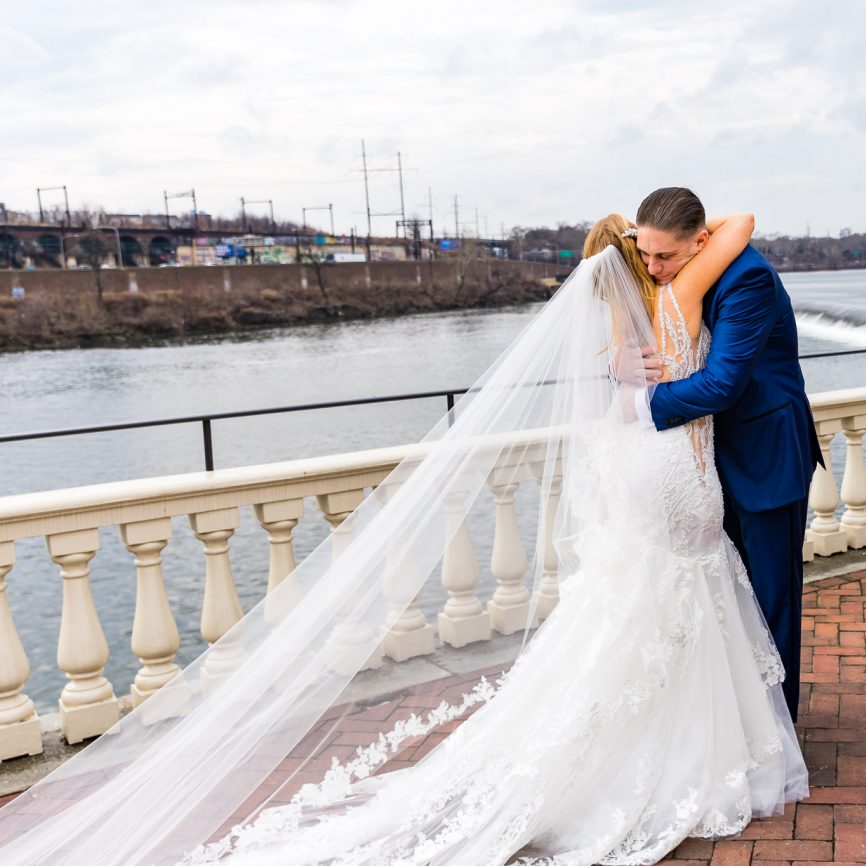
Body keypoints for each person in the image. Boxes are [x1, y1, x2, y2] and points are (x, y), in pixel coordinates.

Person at [0, 211, 807, 865]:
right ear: (643, 252)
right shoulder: (678, 290)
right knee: (690, 598)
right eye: (653, 255)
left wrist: (641, 379)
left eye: (670, 255)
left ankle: (742, 726)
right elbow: (722, 295)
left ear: (686, 245)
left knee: (701, 600)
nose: (663, 266)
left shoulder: (697, 283)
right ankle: (728, 734)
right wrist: (643, 389)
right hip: (674, 465)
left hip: (706, 464)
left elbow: (732, 259)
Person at [630, 187, 821, 723]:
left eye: (664, 256)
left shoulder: (748, 281)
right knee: (726, 600)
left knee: (768, 603)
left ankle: (778, 733)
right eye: (645, 254)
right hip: (709, 465)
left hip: (765, 458)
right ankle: (733, 723)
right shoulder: (688, 270)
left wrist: (637, 405)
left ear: (702, 241)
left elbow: (721, 386)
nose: (652, 267)